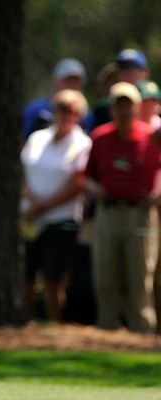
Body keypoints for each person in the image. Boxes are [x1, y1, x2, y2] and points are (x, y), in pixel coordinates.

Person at [86, 82, 158, 332]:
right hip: (108, 213)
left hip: (139, 214)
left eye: (128, 106)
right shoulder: (100, 137)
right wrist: (94, 188)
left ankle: (142, 334)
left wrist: (157, 193)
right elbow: (87, 176)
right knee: (105, 277)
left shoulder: (151, 137)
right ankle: (107, 333)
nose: (124, 111)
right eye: (119, 106)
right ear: (111, 109)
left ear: (137, 108)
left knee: (140, 279)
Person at [21, 89, 92, 322]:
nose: (65, 114)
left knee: (54, 279)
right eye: (60, 108)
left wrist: (41, 206)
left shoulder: (82, 143)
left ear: (78, 114)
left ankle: (54, 326)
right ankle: (24, 324)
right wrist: (32, 204)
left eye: (70, 110)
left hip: (62, 219)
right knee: (26, 275)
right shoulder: (37, 138)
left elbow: (76, 184)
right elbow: (22, 173)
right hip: (29, 217)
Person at [22, 58, 93, 139]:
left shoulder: (87, 115)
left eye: (76, 81)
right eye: (67, 80)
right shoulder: (36, 110)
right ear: (55, 81)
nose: (72, 86)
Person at [93, 49, 150, 129]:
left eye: (134, 67)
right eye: (124, 67)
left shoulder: (153, 100)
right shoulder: (103, 108)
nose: (129, 71)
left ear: (145, 72)